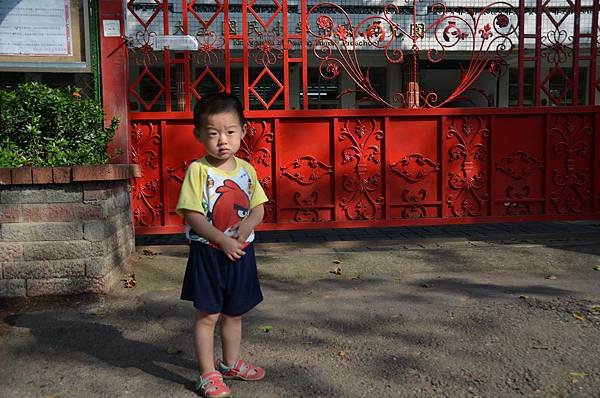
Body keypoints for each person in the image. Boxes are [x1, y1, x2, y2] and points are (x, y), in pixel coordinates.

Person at [176, 92, 268, 398]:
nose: (222, 140)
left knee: (234, 313)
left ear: (243, 130)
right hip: (209, 254)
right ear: (199, 134)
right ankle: (208, 374)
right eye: (213, 133)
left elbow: (259, 208)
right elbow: (192, 215)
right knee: (208, 315)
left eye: (230, 132)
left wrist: (247, 225)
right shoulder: (198, 171)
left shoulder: (246, 170)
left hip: (241, 253)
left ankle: (230, 364)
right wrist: (222, 240)